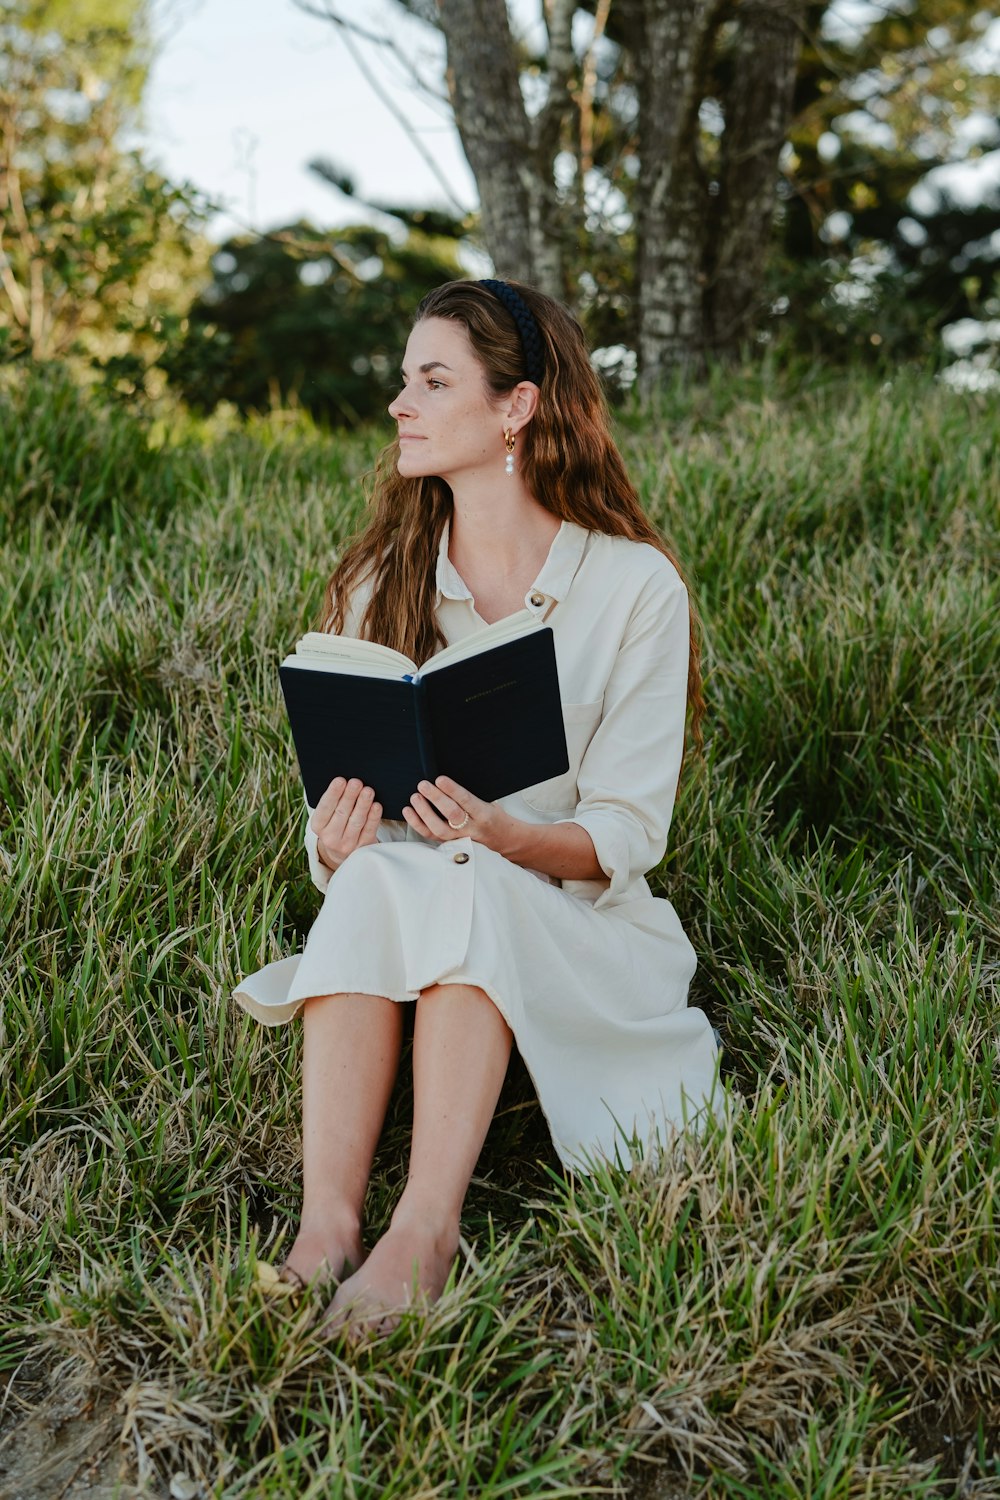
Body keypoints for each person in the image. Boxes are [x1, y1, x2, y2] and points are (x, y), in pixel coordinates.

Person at [233, 277, 719, 1334]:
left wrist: (504, 834)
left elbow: (628, 834)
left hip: (579, 919)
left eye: (434, 380)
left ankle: (426, 1231)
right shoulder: (379, 578)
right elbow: (339, 800)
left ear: (516, 407)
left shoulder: (636, 588)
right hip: (406, 888)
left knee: (468, 875)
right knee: (380, 870)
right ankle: (325, 1228)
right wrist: (332, 836)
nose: (401, 405)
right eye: (403, 381)